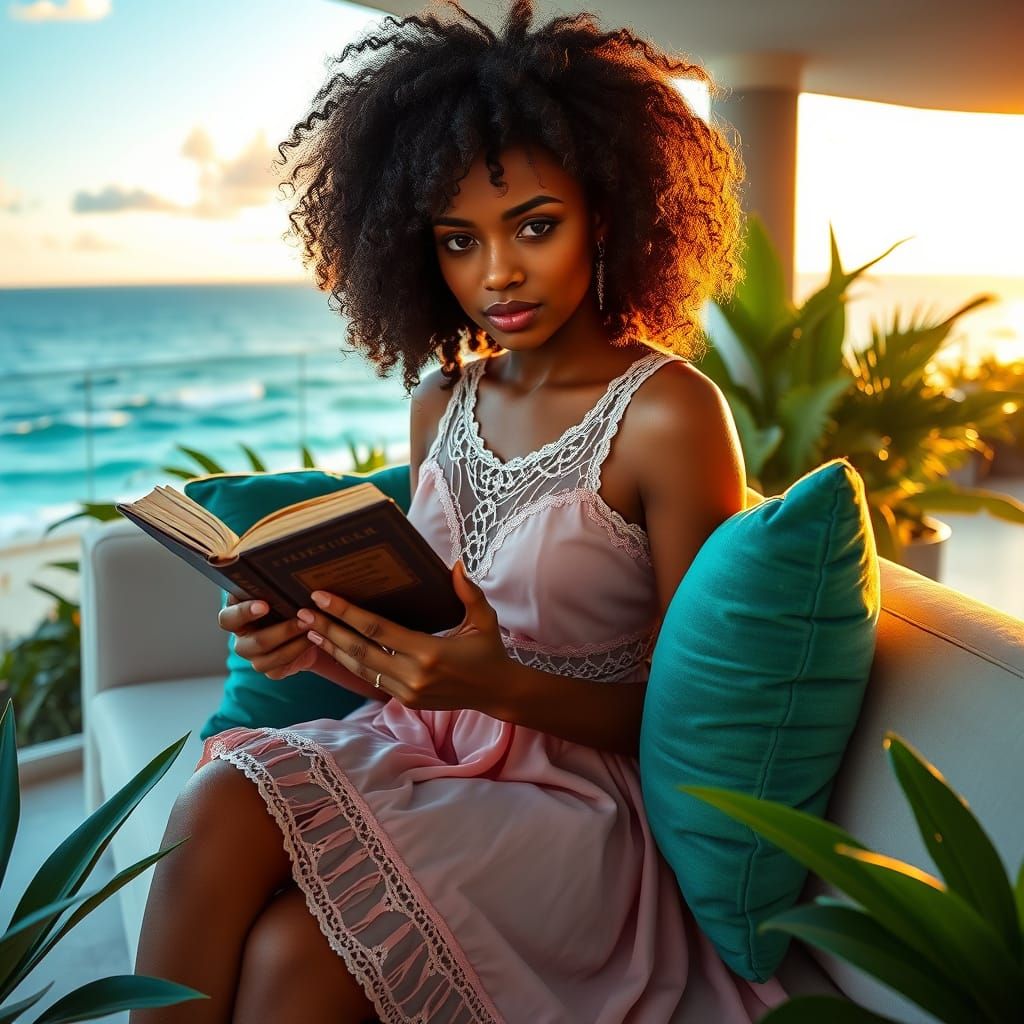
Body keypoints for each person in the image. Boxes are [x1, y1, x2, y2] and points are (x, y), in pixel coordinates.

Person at [130, 1, 791, 1021]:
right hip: (421, 750)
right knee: (215, 803)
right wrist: (309, 643)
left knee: (288, 966)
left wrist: (505, 686)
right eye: (457, 240)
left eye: (535, 224)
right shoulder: (439, 401)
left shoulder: (668, 415)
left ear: (607, 211)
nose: (498, 274)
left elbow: (694, 715)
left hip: (571, 806)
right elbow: (420, 651)